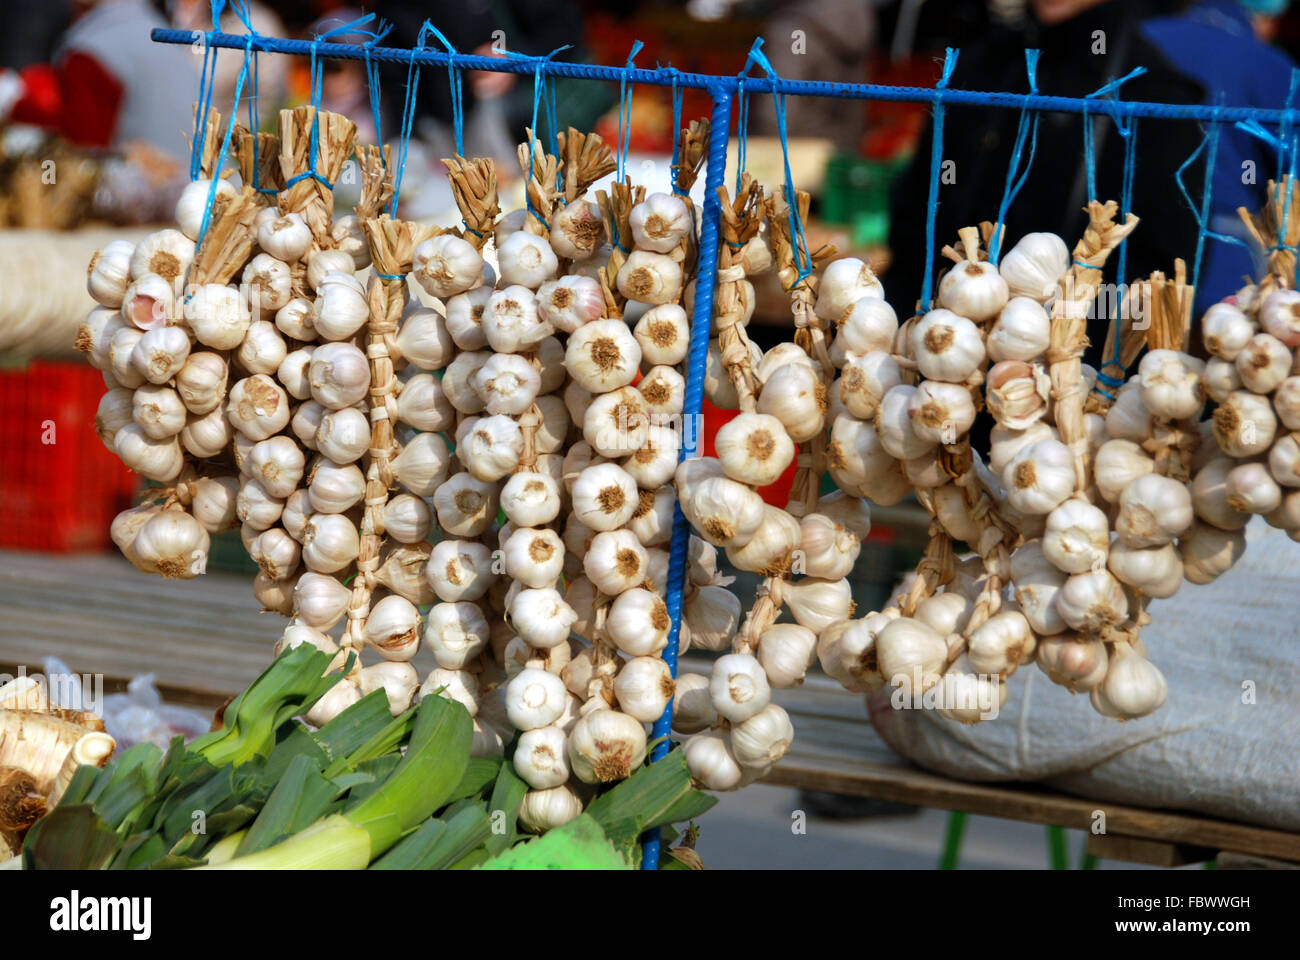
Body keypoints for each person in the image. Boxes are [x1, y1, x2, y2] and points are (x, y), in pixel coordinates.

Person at [886, 0, 1206, 366]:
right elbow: (912, 230)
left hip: (1072, 385)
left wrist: (1056, 333)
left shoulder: (1156, 95)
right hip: (941, 365)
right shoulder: (977, 66)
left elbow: (1160, 283)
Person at [1141, 0, 1299, 311]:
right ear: (1266, 19)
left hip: (1128, 237)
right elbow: (1293, 170)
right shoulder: (1270, 63)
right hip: (1226, 253)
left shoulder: (1135, 37)